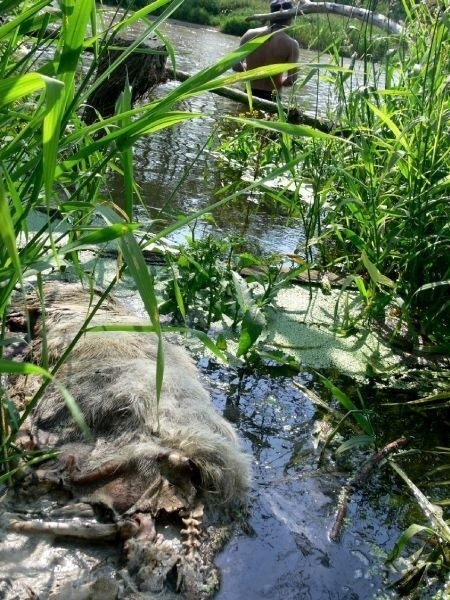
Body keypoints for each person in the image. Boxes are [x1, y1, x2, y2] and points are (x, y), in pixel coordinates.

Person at [232, 0, 300, 101]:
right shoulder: (292, 44)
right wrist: (276, 78)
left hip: (249, 95)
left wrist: (252, 68)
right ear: (290, 17)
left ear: (270, 15)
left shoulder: (249, 34)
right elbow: (291, 80)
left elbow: (236, 66)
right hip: (273, 97)